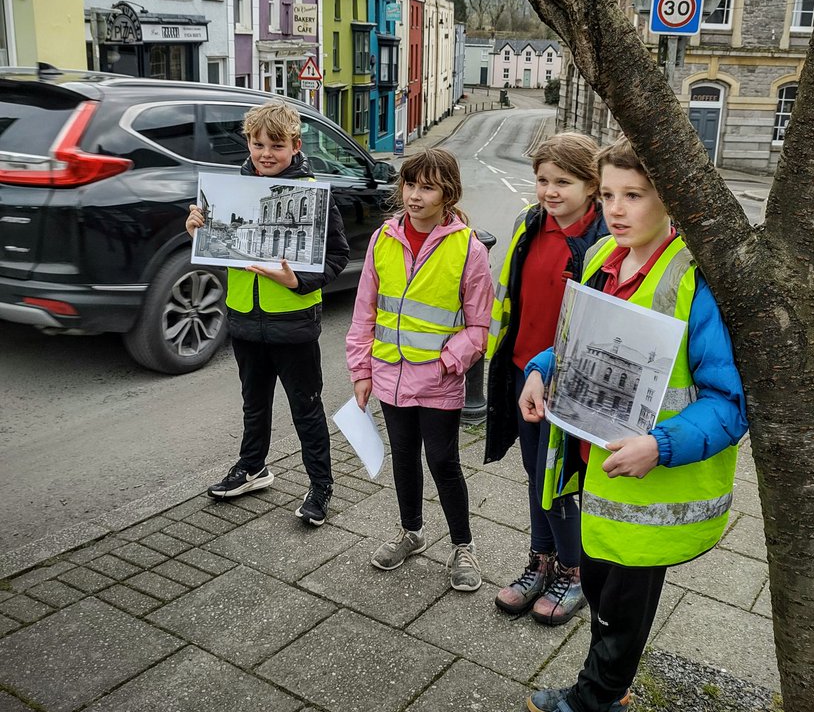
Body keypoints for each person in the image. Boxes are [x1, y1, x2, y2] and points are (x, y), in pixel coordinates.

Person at [512, 136, 747, 712]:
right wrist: (540, 369)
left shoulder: (697, 282)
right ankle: (604, 685)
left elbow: (730, 403)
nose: (617, 210)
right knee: (597, 588)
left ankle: (591, 707)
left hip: (653, 486)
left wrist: (661, 445)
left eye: (633, 196)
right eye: (610, 194)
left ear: (670, 199)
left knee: (622, 607)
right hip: (598, 473)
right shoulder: (600, 259)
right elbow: (577, 343)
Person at [186, 101, 349, 525]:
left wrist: (300, 283)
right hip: (243, 319)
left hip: (292, 325)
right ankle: (253, 468)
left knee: (306, 408)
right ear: (248, 143)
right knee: (253, 404)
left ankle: (321, 486)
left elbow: (338, 256)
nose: (266, 154)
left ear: (295, 146)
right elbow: (222, 246)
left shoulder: (313, 192)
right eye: (258, 144)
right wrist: (198, 230)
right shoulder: (230, 191)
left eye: (276, 145)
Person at [346, 148, 493, 592]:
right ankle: (412, 531)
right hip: (389, 375)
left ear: (448, 193)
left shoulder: (467, 248)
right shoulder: (383, 239)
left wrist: (449, 362)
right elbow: (364, 312)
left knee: (443, 460)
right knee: (404, 457)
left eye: (427, 187)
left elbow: (479, 326)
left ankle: (463, 546)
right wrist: (361, 370)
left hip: (438, 381)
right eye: (410, 184)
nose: (414, 195)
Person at [485, 133, 607, 625]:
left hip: (568, 380)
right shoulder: (529, 223)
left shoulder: (601, 241)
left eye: (563, 181)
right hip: (520, 372)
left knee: (559, 481)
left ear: (592, 185)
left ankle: (574, 573)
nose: (549, 191)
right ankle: (541, 561)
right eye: (541, 180)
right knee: (535, 474)